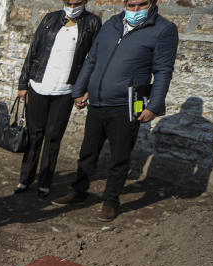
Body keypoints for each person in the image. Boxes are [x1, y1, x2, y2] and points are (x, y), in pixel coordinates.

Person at [51, 0, 178, 220]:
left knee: (119, 156)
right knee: (88, 151)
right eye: (131, 5)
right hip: (98, 101)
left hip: (126, 105)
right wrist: (79, 90)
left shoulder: (163, 30)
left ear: (153, 3)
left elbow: (163, 71)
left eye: (141, 5)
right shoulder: (111, 24)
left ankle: (111, 200)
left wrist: (154, 105)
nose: (135, 10)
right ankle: (79, 190)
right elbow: (92, 59)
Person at [15, 0, 101, 199]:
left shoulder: (92, 23)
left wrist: (84, 89)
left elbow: (93, 59)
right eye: (68, 1)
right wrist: (23, 83)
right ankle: (25, 179)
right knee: (34, 135)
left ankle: (45, 181)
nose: (72, 5)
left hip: (65, 89)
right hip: (39, 85)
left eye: (77, 2)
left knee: (53, 137)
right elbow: (33, 50)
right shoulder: (50, 19)